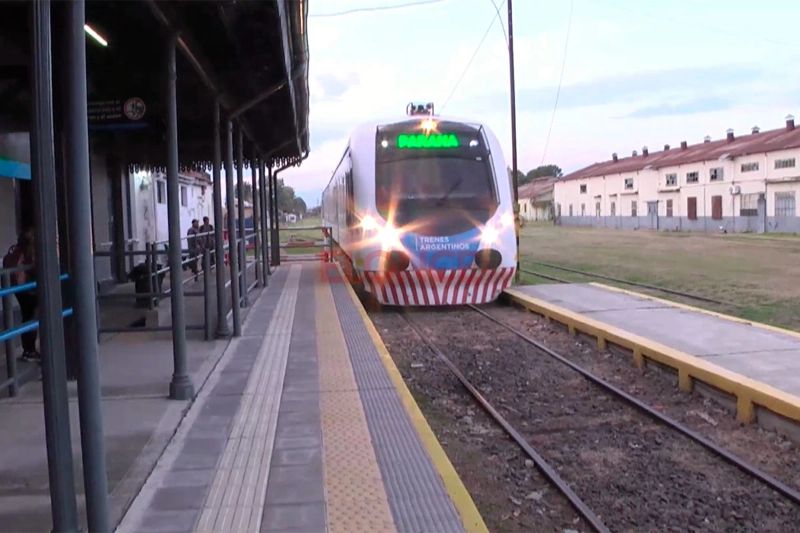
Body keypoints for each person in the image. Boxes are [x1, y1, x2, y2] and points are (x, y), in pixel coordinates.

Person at [4, 228, 39, 361]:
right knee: (31, 316)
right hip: (26, 288)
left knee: (28, 315)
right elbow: (35, 267)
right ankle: (29, 350)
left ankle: (28, 349)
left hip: (19, 289)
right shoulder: (30, 250)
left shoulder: (17, 250)